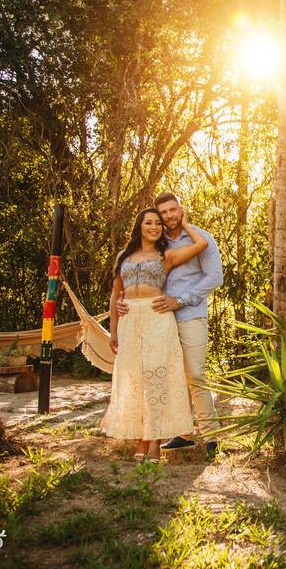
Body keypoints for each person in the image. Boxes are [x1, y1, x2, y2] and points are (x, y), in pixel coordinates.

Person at [118, 192, 224, 458]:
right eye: (163, 212)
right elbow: (137, 274)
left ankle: (210, 436)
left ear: (181, 210)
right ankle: (181, 432)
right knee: (166, 376)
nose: (167, 216)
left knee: (194, 374)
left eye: (172, 210)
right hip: (158, 318)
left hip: (189, 314)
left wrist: (180, 300)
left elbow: (215, 277)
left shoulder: (201, 237)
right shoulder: (158, 241)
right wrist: (123, 301)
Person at [100, 208, 207, 461]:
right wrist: (113, 330)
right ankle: (142, 437)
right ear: (139, 226)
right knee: (135, 378)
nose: (154, 227)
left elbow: (201, 244)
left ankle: (155, 441)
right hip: (129, 321)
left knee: (156, 379)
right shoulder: (123, 256)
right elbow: (116, 295)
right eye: (149, 222)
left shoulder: (165, 255)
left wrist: (184, 223)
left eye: (158, 223)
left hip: (157, 318)